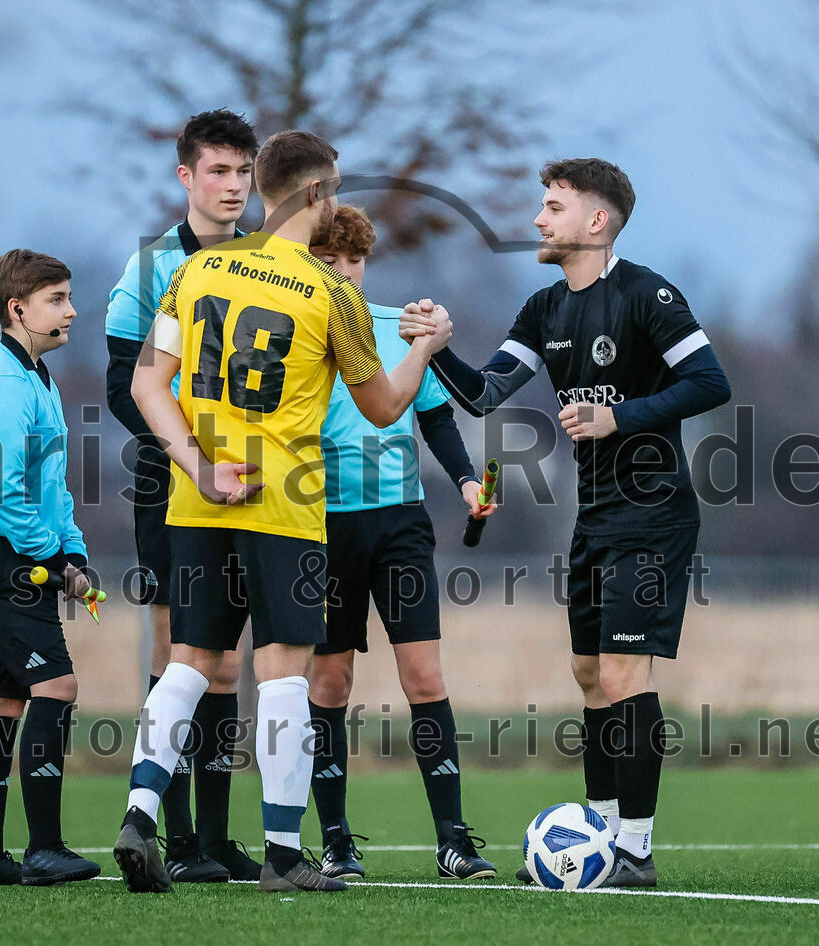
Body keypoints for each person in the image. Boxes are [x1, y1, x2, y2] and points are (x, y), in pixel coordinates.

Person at [112, 130, 452, 893]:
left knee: (189, 663)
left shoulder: (197, 271)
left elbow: (144, 387)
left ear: (262, 188)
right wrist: (426, 347)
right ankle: (283, 856)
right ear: (317, 196)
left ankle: (139, 812)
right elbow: (384, 406)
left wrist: (198, 464)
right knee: (284, 675)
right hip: (284, 505)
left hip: (199, 498)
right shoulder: (332, 293)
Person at [400, 159, 731, 888]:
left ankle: (634, 854)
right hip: (597, 517)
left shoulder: (649, 295)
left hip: (654, 516)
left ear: (596, 221)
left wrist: (619, 416)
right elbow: (484, 394)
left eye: (553, 207)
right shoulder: (545, 308)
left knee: (621, 675)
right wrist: (434, 344)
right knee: (588, 676)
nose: (539, 220)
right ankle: (599, 839)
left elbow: (711, 381)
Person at [306, 205, 496, 881]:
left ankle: (453, 840)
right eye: (330, 262)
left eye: (354, 262)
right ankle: (335, 842)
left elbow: (437, 418)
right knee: (330, 681)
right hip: (322, 527)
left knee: (425, 677)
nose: (345, 274)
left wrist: (470, 482)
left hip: (400, 524)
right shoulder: (298, 330)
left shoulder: (395, 327)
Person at [105, 108, 261, 883]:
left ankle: (214, 840)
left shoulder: (269, 265)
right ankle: (170, 833)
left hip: (257, 488)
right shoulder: (150, 269)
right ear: (186, 177)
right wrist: (192, 454)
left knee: (227, 664)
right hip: (169, 487)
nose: (233, 187)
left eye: (243, 172)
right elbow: (122, 387)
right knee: (179, 655)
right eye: (218, 172)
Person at [0, 249, 101, 886]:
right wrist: (50, 555)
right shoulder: (3, 386)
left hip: (8, 553)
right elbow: (7, 495)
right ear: (19, 310)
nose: (71, 311)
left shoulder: (37, 376)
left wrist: (73, 551)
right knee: (56, 688)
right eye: (57, 300)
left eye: (68, 297)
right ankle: (45, 848)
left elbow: (50, 487)